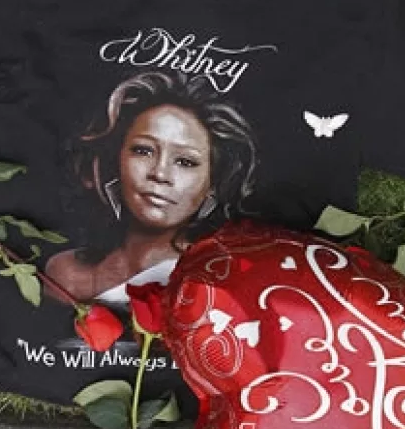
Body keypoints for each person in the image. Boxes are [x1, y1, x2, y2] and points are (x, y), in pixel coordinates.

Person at [46, 71, 258, 304]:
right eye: (143, 151)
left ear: (214, 184)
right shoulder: (67, 273)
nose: (159, 173)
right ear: (116, 159)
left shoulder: (217, 285)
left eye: (185, 162)